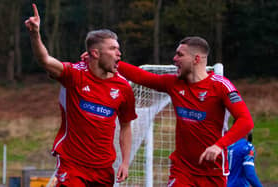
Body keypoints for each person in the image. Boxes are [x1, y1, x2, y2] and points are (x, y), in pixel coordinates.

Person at [116, 36, 254, 186]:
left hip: (213, 171)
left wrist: (219, 145)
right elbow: (142, 76)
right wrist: (112, 61)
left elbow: (246, 121)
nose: (174, 59)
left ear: (196, 59)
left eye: (180, 55)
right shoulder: (174, 83)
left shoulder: (221, 86)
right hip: (182, 169)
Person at [25, 4, 137, 187]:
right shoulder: (74, 75)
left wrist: (125, 162)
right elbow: (45, 60)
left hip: (103, 169)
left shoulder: (123, 87)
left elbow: (125, 126)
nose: (119, 53)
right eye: (113, 49)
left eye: (118, 48)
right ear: (95, 53)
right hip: (72, 165)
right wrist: (35, 34)